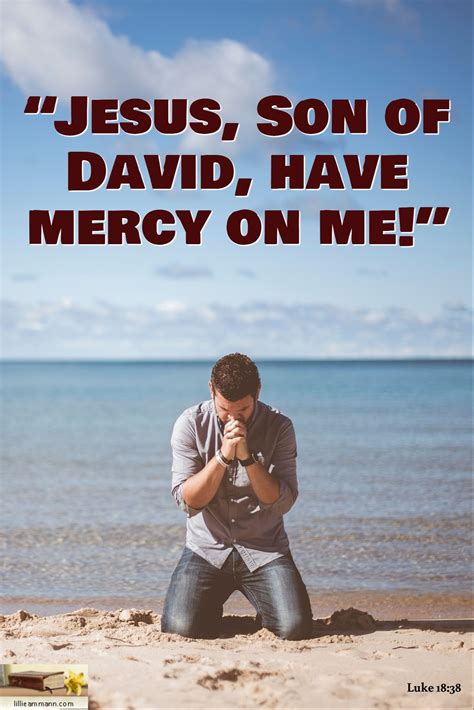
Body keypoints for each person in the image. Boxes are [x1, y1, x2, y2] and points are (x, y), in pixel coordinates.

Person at [161, 353, 313, 640]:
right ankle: (207, 609)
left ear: (257, 392)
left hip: (264, 549)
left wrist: (246, 458)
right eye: (224, 409)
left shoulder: (280, 427)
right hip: (206, 549)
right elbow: (187, 501)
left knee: (295, 629)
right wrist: (222, 456)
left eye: (241, 410)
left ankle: (266, 606)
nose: (233, 418)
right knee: (178, 630)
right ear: (211, 390)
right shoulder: (191, 423)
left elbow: (281, 502)